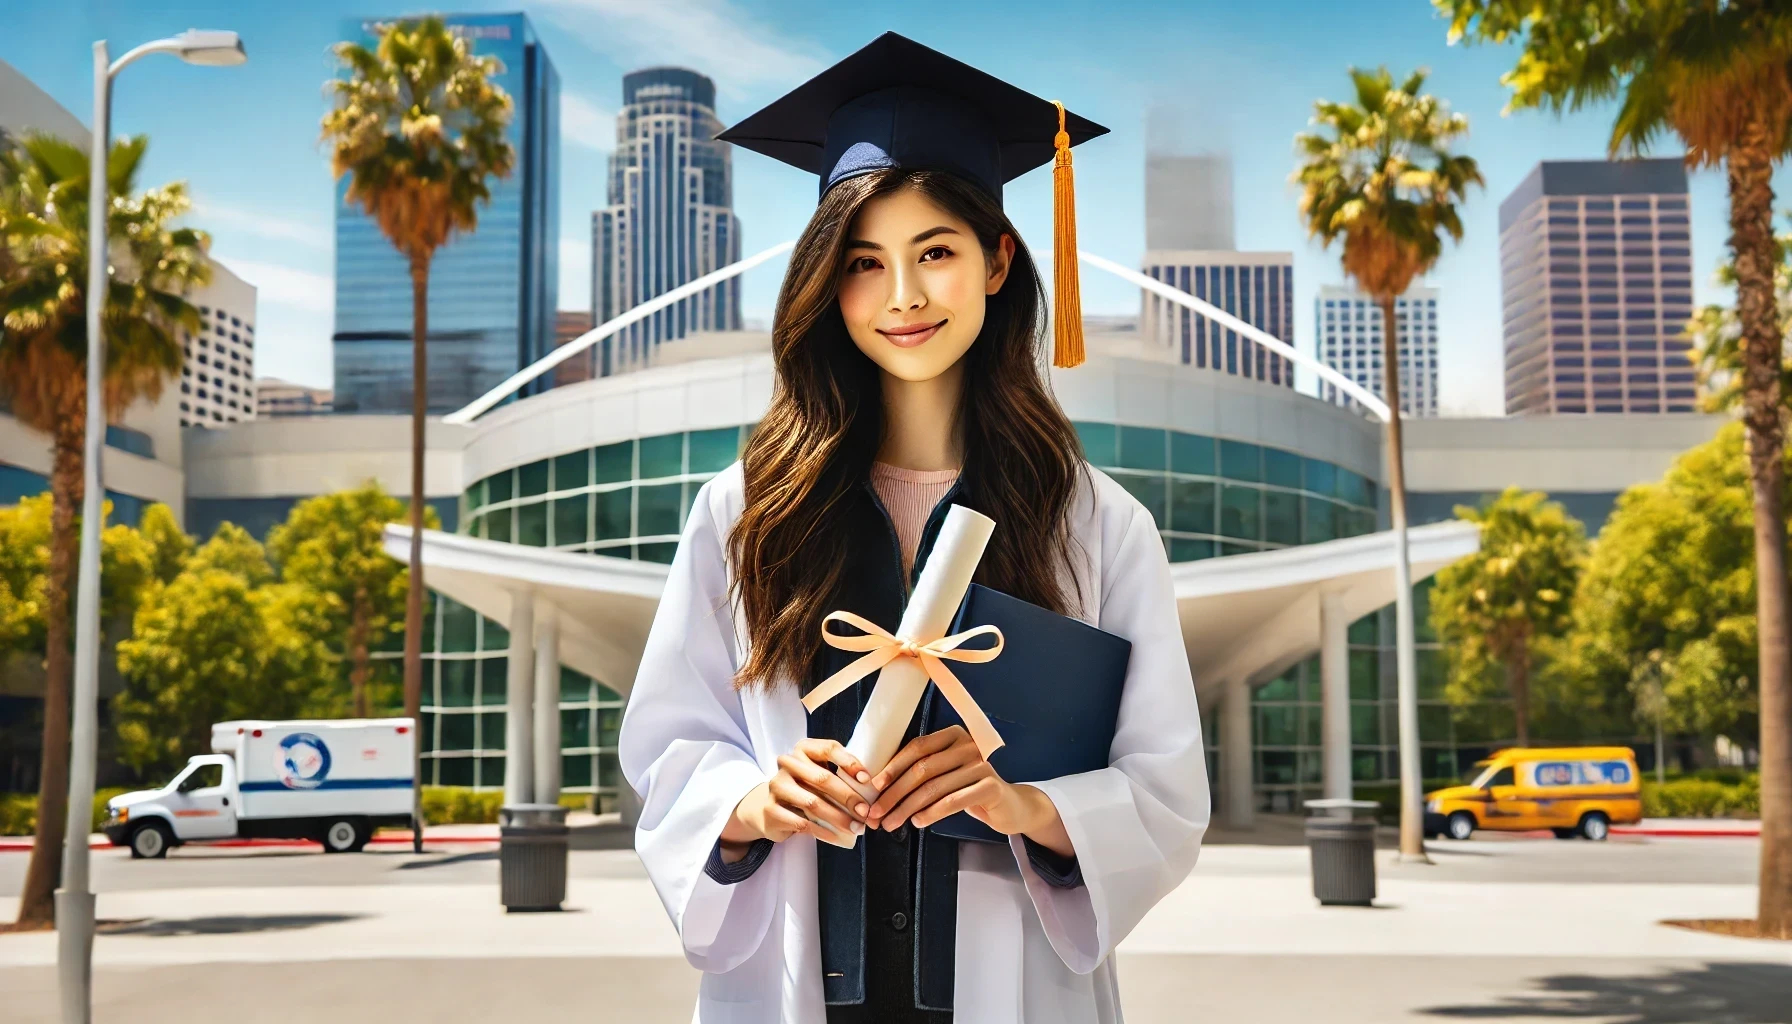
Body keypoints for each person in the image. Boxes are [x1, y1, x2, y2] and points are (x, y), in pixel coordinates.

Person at [619, 32, 1210, 1024]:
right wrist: (755, 801)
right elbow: (672, 744)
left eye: (934, 251)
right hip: (796, 987)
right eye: (862, 261)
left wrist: (1027, 804)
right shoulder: (746, 508)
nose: (901, 296)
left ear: (997, 260)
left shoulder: (1093, 521)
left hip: (1008, 984)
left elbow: (1163, 782)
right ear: (825, 281)